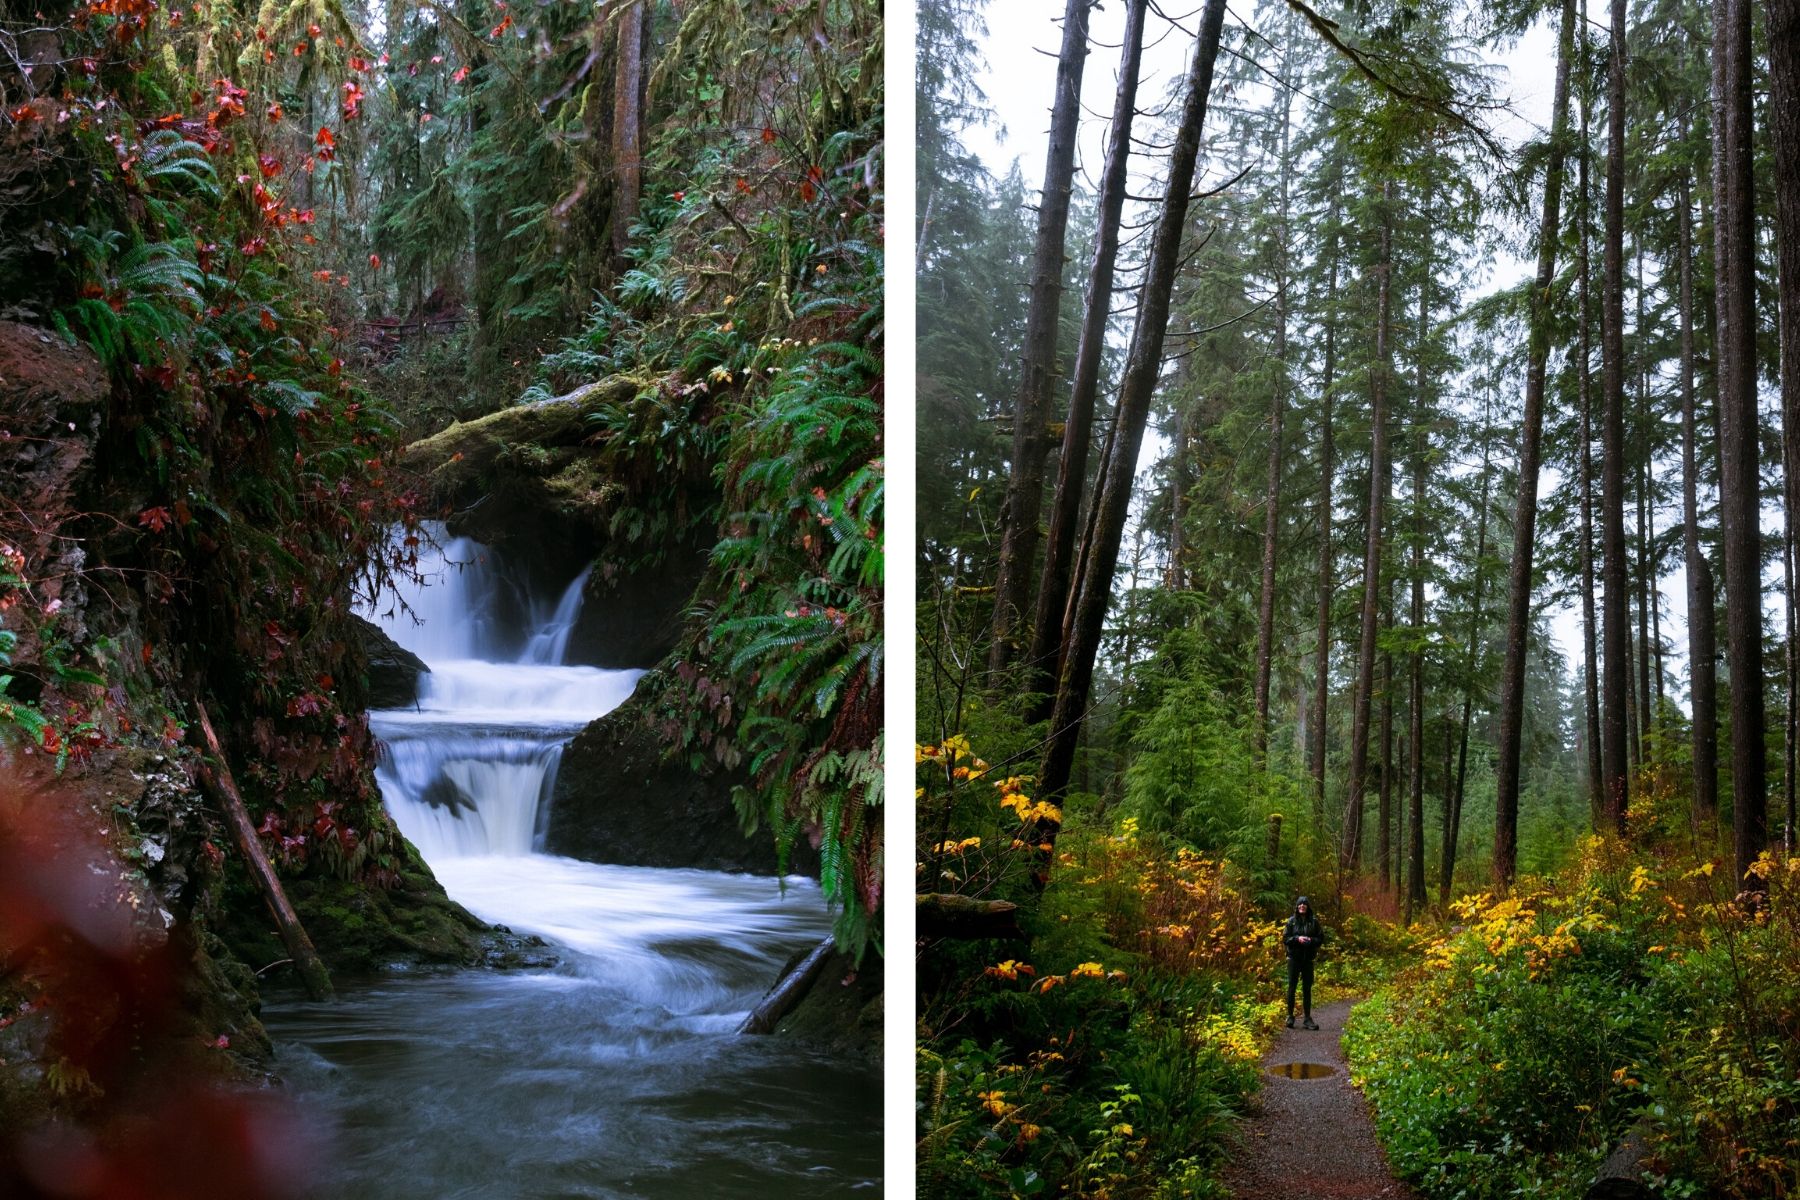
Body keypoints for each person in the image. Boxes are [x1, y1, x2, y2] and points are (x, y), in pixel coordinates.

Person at [1283, 895, 1324, 1030]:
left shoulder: (1314, 922)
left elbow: (1320, 938)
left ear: (1308, 907)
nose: (1302, 906)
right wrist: (1297, 939)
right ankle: (1290, 1016)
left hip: (1308, 960)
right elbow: (1286, 939)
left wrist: (1310, 941)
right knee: (1292, 987)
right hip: (1294, 959)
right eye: (1300, 904)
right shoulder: (1291, 922)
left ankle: (1307, 1018)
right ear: (1297, 906)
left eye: (1304, 904)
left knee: (1307, 989)